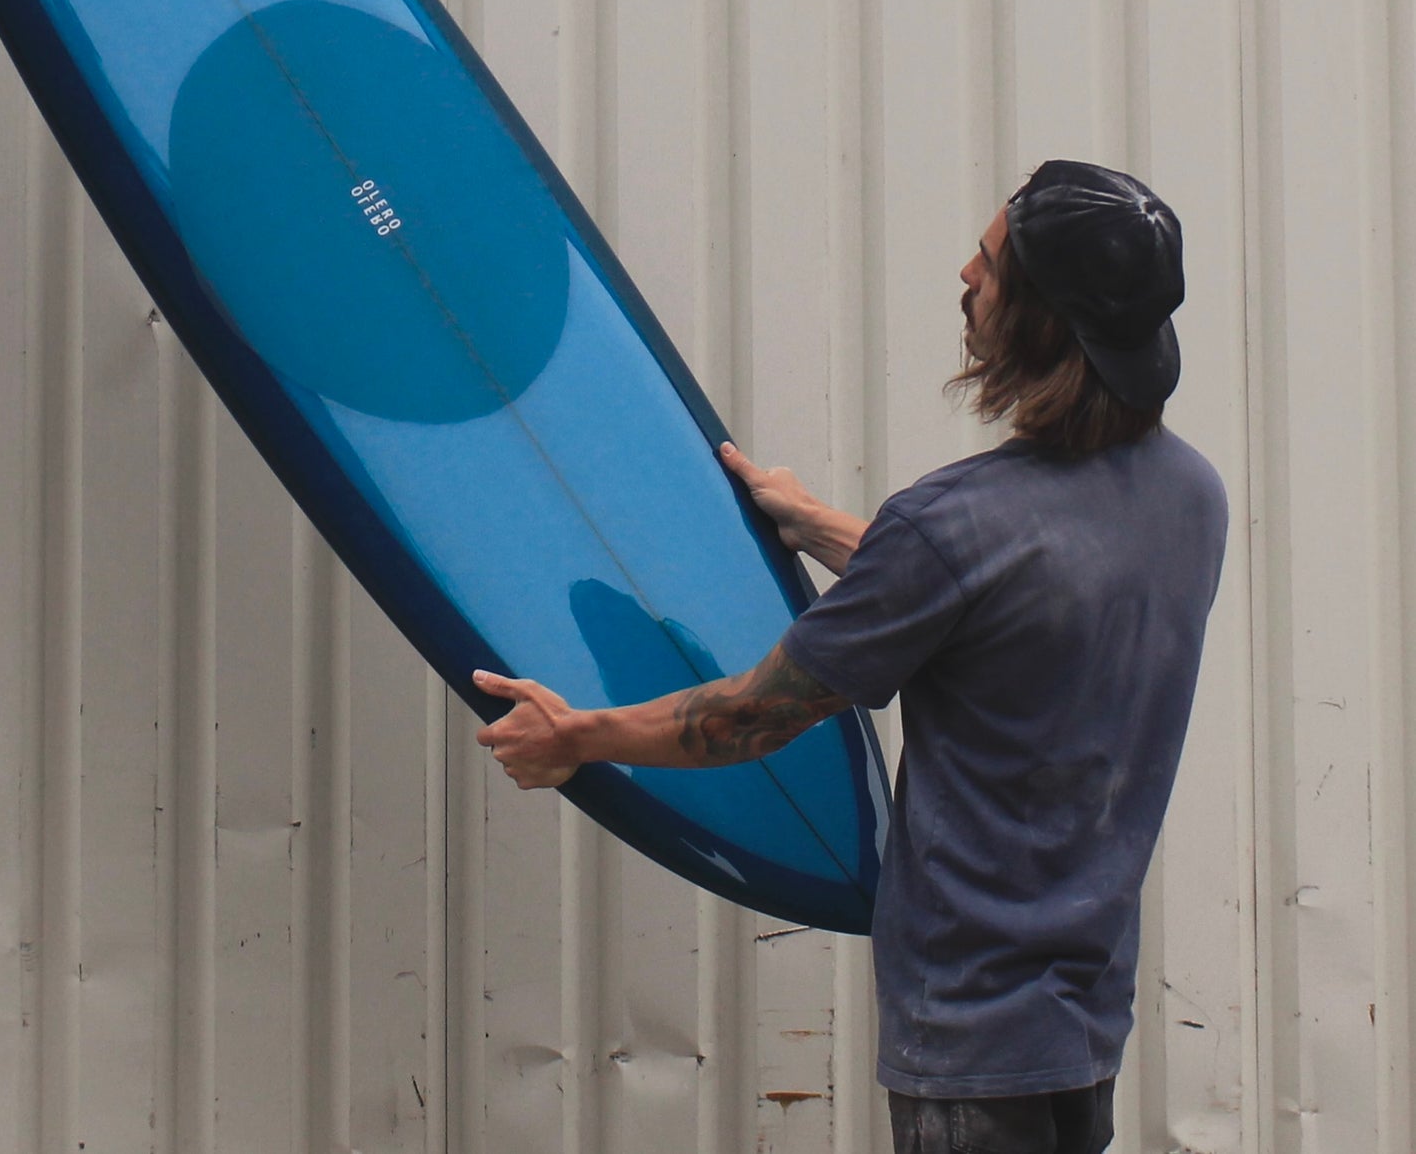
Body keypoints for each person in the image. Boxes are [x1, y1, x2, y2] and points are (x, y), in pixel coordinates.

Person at [474, 161, 1228, 1154]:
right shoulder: (1188, 495)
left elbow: (750, 715)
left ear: (1044, 324)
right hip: (1084, 1009)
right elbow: (1013, 593)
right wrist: (818, 524)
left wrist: (575, 735)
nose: (965, 274)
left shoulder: (952, 525)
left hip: (970, 1024)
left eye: (992, 265)